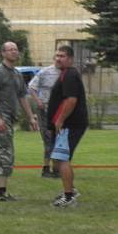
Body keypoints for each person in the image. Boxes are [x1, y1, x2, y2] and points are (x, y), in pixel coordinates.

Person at [0, 41, 39, 201]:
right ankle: (2, 192)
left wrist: (31, 117)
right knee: (5, 155)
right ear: (3, 53)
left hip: (10, 118)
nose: (14, 52)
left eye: (16, 49)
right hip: (1, 118)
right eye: (10, 49)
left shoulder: (17, 73)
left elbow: (22, 96)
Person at [46, 45, 88, 207]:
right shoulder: (65, 74)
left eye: (62, 56)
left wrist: (60, 120)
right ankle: (69, 189)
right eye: (56, 55)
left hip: (70, 125)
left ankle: (69, 197)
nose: (58, 58)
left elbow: (71, 100)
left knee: (62, 159)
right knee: (58, 158)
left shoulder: (70, 75)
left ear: (70, 59)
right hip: (66, 125)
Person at [28, 56, 62, 178]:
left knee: (60, 139)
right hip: (45, 110)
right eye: (58, 57)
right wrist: (38, 101)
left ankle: (57, 168)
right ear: (54, 59)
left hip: (61, 111)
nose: (60, 60)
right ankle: (46, 168)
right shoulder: (45, 72)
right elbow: (31, 87)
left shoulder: (67, 73)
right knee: (48, 139)